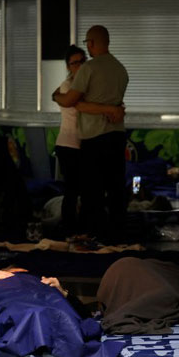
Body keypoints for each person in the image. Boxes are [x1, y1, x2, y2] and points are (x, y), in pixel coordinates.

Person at [53, 25, 129, 240]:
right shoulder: (120, 69)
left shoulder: (90, 69)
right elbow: (115, 105)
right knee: (115, 187)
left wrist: (55, 96)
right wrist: (113, 109)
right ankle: (117, 233)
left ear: (92, 44)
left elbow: (72, 102)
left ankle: (96, 234)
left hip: (94, 138)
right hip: (116, 134)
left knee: (92, 190)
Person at [53, 46, 86, 237]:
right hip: (68, 144)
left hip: (82, 144)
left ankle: (78, 227)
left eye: (83, 61)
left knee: (81, 188)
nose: (80, 65)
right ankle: (68, 229)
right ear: (68, 66)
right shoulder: (68, 87)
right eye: (75, 62)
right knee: (72, 189)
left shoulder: (83, 84)